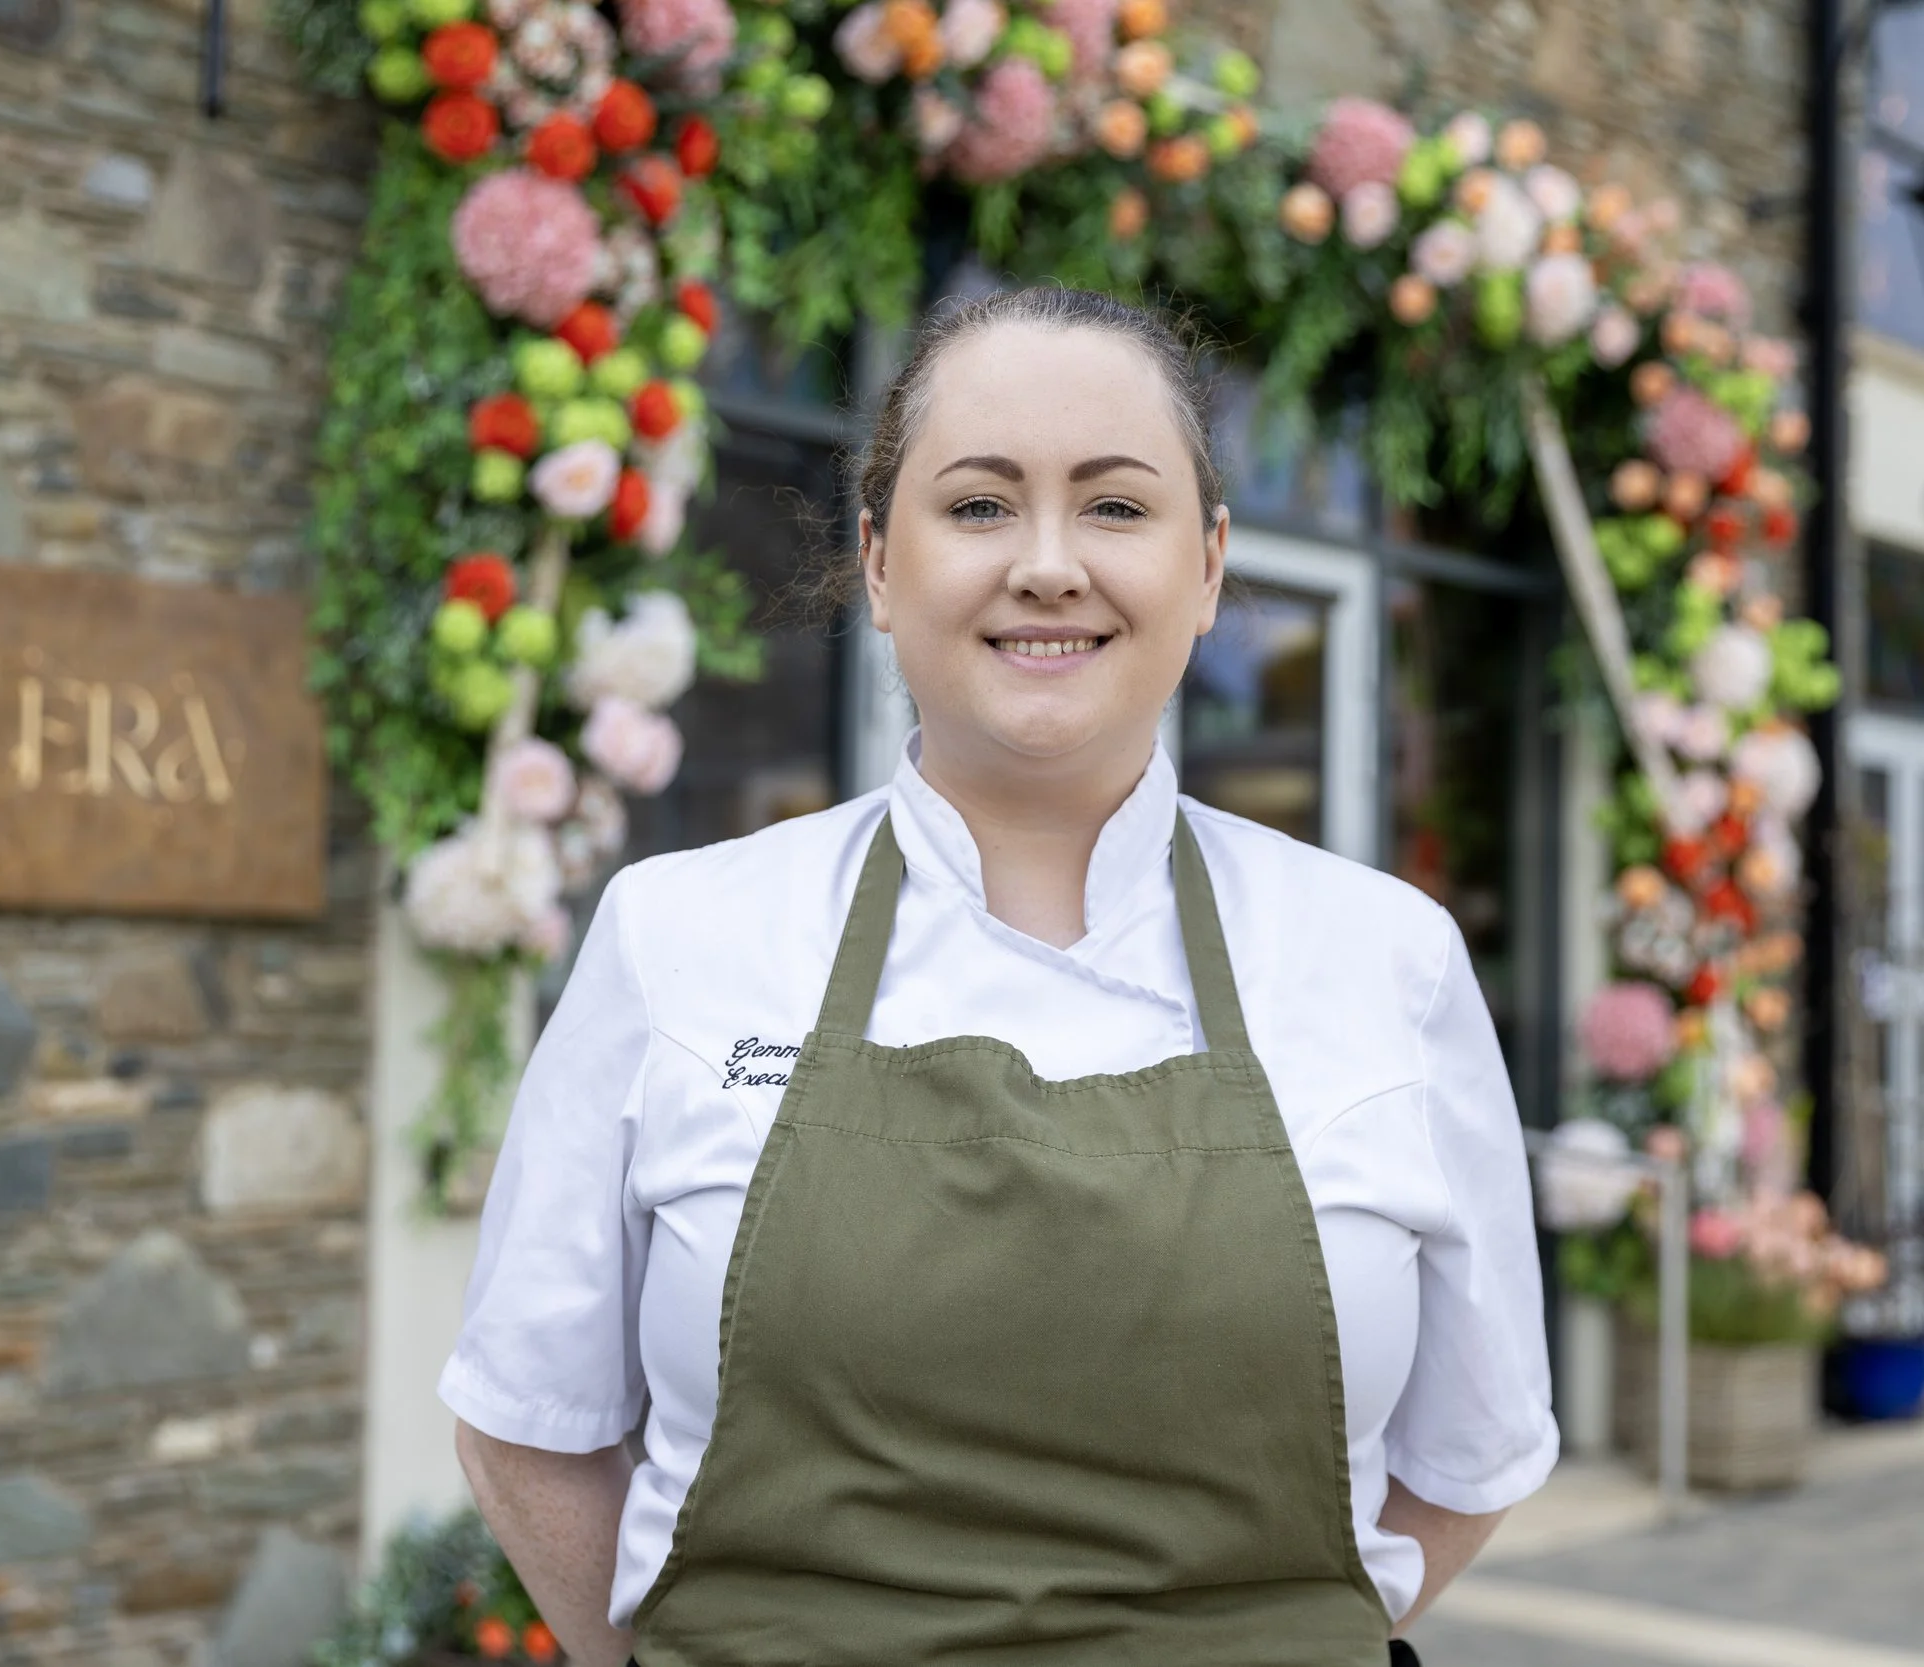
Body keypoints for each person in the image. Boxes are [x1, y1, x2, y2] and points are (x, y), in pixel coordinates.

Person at [441, 287, 1558, 1667]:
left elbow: (1470, 1452)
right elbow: (526, 1424)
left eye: (1115, 507)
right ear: (879, 563)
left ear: (1207, 567)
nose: (1045, 564)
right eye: (977, 506)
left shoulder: (1388, 959)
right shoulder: (679, 935)